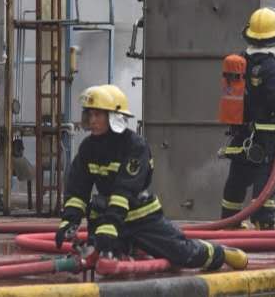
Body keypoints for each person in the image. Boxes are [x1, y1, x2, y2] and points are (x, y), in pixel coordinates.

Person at [56, 84, 247, 271]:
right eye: (89, 114)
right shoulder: (88, 148)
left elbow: (124, 191)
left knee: (182, 254)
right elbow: (77, 189)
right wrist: (69, 222)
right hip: (107, 220)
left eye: (98, 114)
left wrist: (110, 225)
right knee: (101, 263)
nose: (92, 120)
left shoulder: (134, 146)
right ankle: (128, 248)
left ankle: (219, 253)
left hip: (141, 219)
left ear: (114, 116)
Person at [219, 7, 275, 230]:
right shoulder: (272, 67)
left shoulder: (242, 61)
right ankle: (264, 221)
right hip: (264, 134)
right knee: (267, 177)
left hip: (241, 132)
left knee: (238, 176)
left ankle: (229, 220)